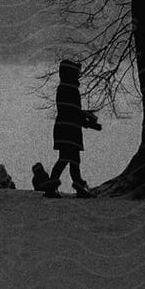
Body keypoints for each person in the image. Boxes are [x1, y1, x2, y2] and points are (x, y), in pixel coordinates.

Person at [40, 59, 100, 198]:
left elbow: (71, 110)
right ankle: (57, 188)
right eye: (76, 72)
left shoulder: (64, 87)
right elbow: (72, 111)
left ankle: (73, 188)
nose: (78, 74)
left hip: (65, 129)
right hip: (69, 130)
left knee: (70, 160)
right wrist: (88, 122)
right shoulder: (70, 88)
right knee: (67, 159)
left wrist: (85, 116)